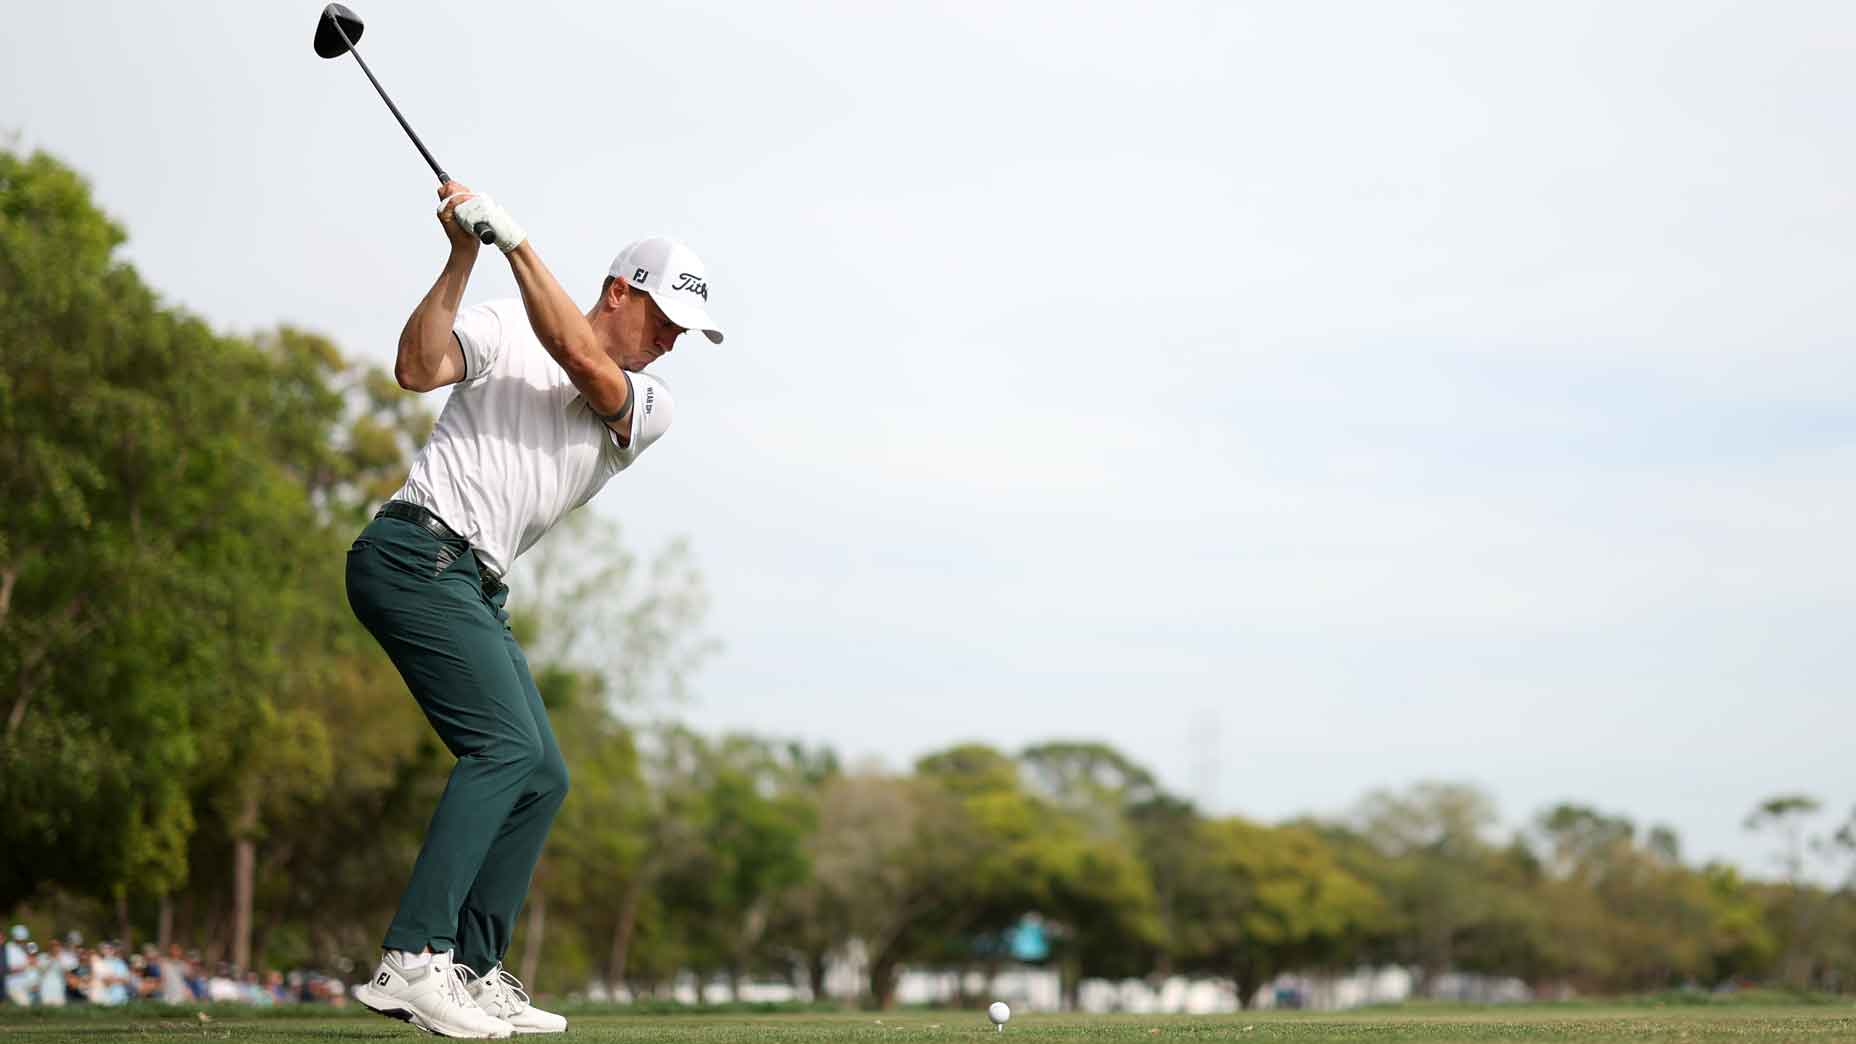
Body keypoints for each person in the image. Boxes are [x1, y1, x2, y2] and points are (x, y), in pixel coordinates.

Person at [347, 183, 723, 1040]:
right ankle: (414, 959)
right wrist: (463, 255)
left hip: (474, 583)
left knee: (542, 776)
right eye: (662, 319)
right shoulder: (505, 324)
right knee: (504, 747)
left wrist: (516, 243)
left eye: (682, 334)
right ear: (618, 290)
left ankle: (471, 971)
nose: (668, 344)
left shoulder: (648, 406)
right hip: (413, 554)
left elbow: (583, 361)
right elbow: (415, 369)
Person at [4, 926, 34, 1007]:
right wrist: (25, 966)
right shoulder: (8, 948)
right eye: (21, 940)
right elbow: (7, 968)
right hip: (14, 986)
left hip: (24, 986)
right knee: (25, 1007)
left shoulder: (23, 949)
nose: (23, 942)